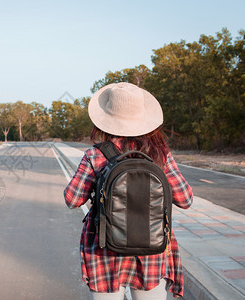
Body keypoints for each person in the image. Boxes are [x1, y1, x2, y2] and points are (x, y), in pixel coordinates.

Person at [64, 82, 193, 300]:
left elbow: (72, 199)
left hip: (105, 251)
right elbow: (185, 199)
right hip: (152, 251)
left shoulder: (95, 155)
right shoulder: (160, 155)